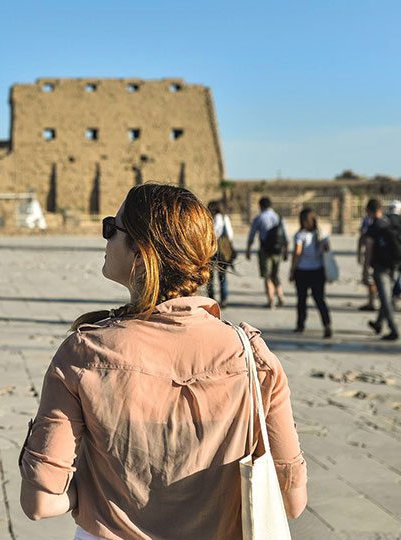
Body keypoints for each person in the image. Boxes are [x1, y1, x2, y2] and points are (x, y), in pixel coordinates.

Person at [19, 184, 307, 539]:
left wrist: (98, 493)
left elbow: (40, 503)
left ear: (140, 254)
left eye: (112, 228)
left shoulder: (85, 354)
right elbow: (291, 501)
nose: (105, 237)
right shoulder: (253, 359)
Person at [288, 208, 332, 338]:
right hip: (318, 270)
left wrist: (292, 271)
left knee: (302, 299)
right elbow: (327, 249)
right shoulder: (322, 233)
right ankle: (327, 324)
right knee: (320, 299)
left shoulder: (300, 235)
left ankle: (300, 325)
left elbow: (297, 254)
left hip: (302, 270)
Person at [364, 199, 400, 340]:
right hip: (394, 265)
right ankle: (379, 323)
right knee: (387, 296)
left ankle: (393, 329)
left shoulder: (375, 227)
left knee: (386, 299)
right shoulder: (389, 222)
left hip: (381, 267)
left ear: (370, 211)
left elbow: (369, 248)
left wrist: (365, 268)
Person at [246, 196, 290, 309]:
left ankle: (271, 300)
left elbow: (252, 235)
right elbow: (285, 236)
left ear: (261, 206)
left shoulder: (259, 218)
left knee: (267, 276)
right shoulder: (279, 217)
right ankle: (280, 296)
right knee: (275, 274)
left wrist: (248, 249)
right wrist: (286, 251)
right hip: (278, 251)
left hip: (265, 250)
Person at [207, 200, 234, 308]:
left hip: (210, 250)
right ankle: (224, 300)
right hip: (222, 251)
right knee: (222, 276)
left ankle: (211, 300)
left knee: (210, 277)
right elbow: (230, 235)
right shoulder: (224, 218)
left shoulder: (208, 219)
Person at [357, 209, 378, 311]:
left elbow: (362, 237)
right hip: (383, 256)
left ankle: (371, 302)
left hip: (371, 255)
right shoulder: (385, 221)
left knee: (370, 279)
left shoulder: (367, 221)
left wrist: (359, 252)